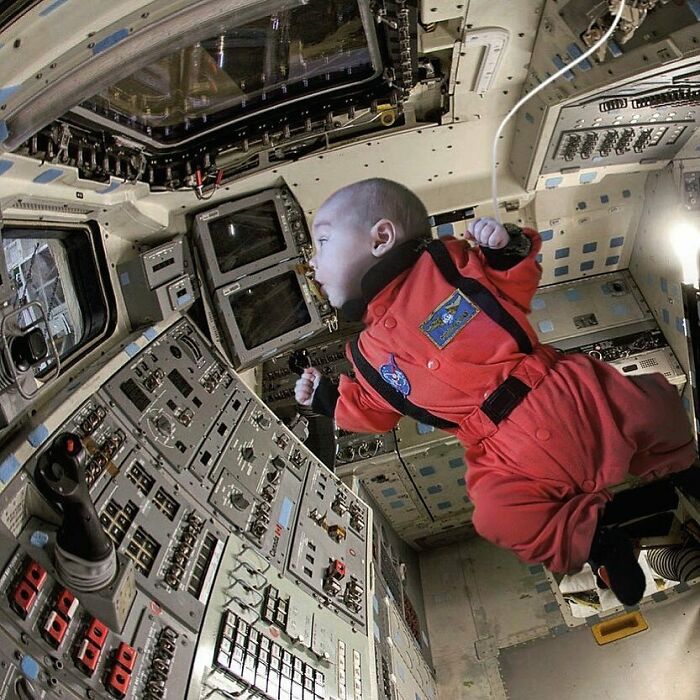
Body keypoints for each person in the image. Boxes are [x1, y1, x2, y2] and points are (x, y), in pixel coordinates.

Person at [294, 177, 699, 605]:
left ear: (381, 238)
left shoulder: (446, 265)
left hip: (560, 391)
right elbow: (373, 409)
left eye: (323, 242)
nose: (313, 264)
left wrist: (504, 249)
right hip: (502, 449)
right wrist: (327, 399)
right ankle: (599, 542)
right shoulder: (367, 354)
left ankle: (681, 467)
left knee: (652, 406)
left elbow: (510, 282)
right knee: (497, 516)